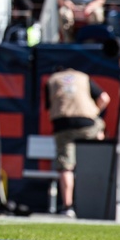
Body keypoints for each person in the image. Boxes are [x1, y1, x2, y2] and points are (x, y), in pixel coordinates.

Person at [44, 67, 110, 218]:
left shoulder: (52, 79)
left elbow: (49, 107)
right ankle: (99, 201)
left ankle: (68, 206)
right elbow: (104, 98)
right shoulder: (83, 77)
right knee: (98, 134)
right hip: (86, 123)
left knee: (65, 166)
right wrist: (94, 112)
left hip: (62, 124)